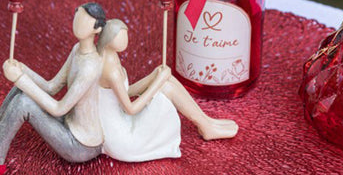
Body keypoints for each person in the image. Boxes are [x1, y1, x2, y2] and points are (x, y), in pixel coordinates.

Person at [0, 2, 106, 165]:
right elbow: (51, 87)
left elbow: (59, 109)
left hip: (80, 145)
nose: (77, 22)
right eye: (77, 15)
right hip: (67, 123)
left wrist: (20, 78)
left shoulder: (90, 66)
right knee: (20, 89)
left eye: (84, 19)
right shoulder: (77, 50)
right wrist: (23, 70)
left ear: (97, 29)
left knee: (24, 102)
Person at [97, 19, 238, 162]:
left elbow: (126, 91)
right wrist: (158, 82)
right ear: (110, 40)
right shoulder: (111, 72)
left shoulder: (110, 58)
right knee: (165, 86)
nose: (126, 40)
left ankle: (205, 121)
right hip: (123, 138)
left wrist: (153, 76)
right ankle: (205, 125)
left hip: (123, 120)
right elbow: (130, 109)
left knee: (167, 79)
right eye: (122, 37)